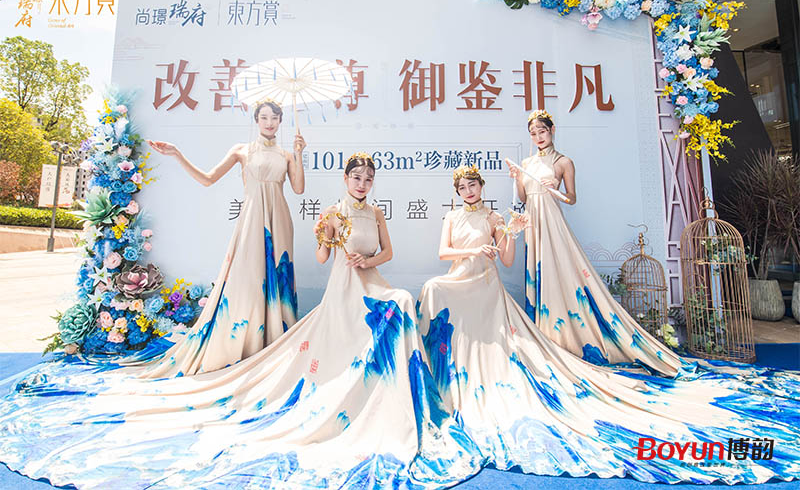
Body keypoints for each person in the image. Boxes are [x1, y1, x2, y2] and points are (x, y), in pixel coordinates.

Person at [0, 152, 482, 490]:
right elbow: (320, 257)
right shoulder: (333, 212)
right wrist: (330, 240)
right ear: (345, 179)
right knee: (387, 311)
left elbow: (387, 253)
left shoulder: (375, 212)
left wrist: (367, 259)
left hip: (372, 280)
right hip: (344, 288)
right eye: (356, 177)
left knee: (400, 300)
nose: (362, 183)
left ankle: (395, 395)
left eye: (367, 178)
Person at [417, 164, 800, 484]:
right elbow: (442, 252)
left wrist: (510, 234)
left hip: (486, 287)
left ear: (481, 186)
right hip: (458, 281)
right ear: (457, 191)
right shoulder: (451, 216)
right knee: (433, 289)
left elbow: (506, 260)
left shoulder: (496, 218)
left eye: (473, 185)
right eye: (462, 187)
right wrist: (474, 248)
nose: (468, 191)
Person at [509, 109, 684, 375]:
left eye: (542, 131)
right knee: (538, 272)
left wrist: (554, 190)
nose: (538, 137)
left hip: (552, 221)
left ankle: (565, 332)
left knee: (559, 270)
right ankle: (542, 334)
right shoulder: (527, 162)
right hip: (533, 224)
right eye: (533, 134)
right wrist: (516, 179)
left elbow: (572, 198)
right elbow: (523, 198)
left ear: (552, 130)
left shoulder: (563, 162)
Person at [139, 99, 304, 377]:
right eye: (264, 117)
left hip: (280, 221)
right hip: (252, 220)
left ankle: (276, 342)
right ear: (256, 120)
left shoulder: (286, 155)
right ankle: (245, 342)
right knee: (248, 280)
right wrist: (177, 154)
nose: (269, 123)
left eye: (275, 118)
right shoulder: (241, 150)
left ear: (280, 121)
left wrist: (299, 154)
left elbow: (298, 189)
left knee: (279, 277)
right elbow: (208, 179)